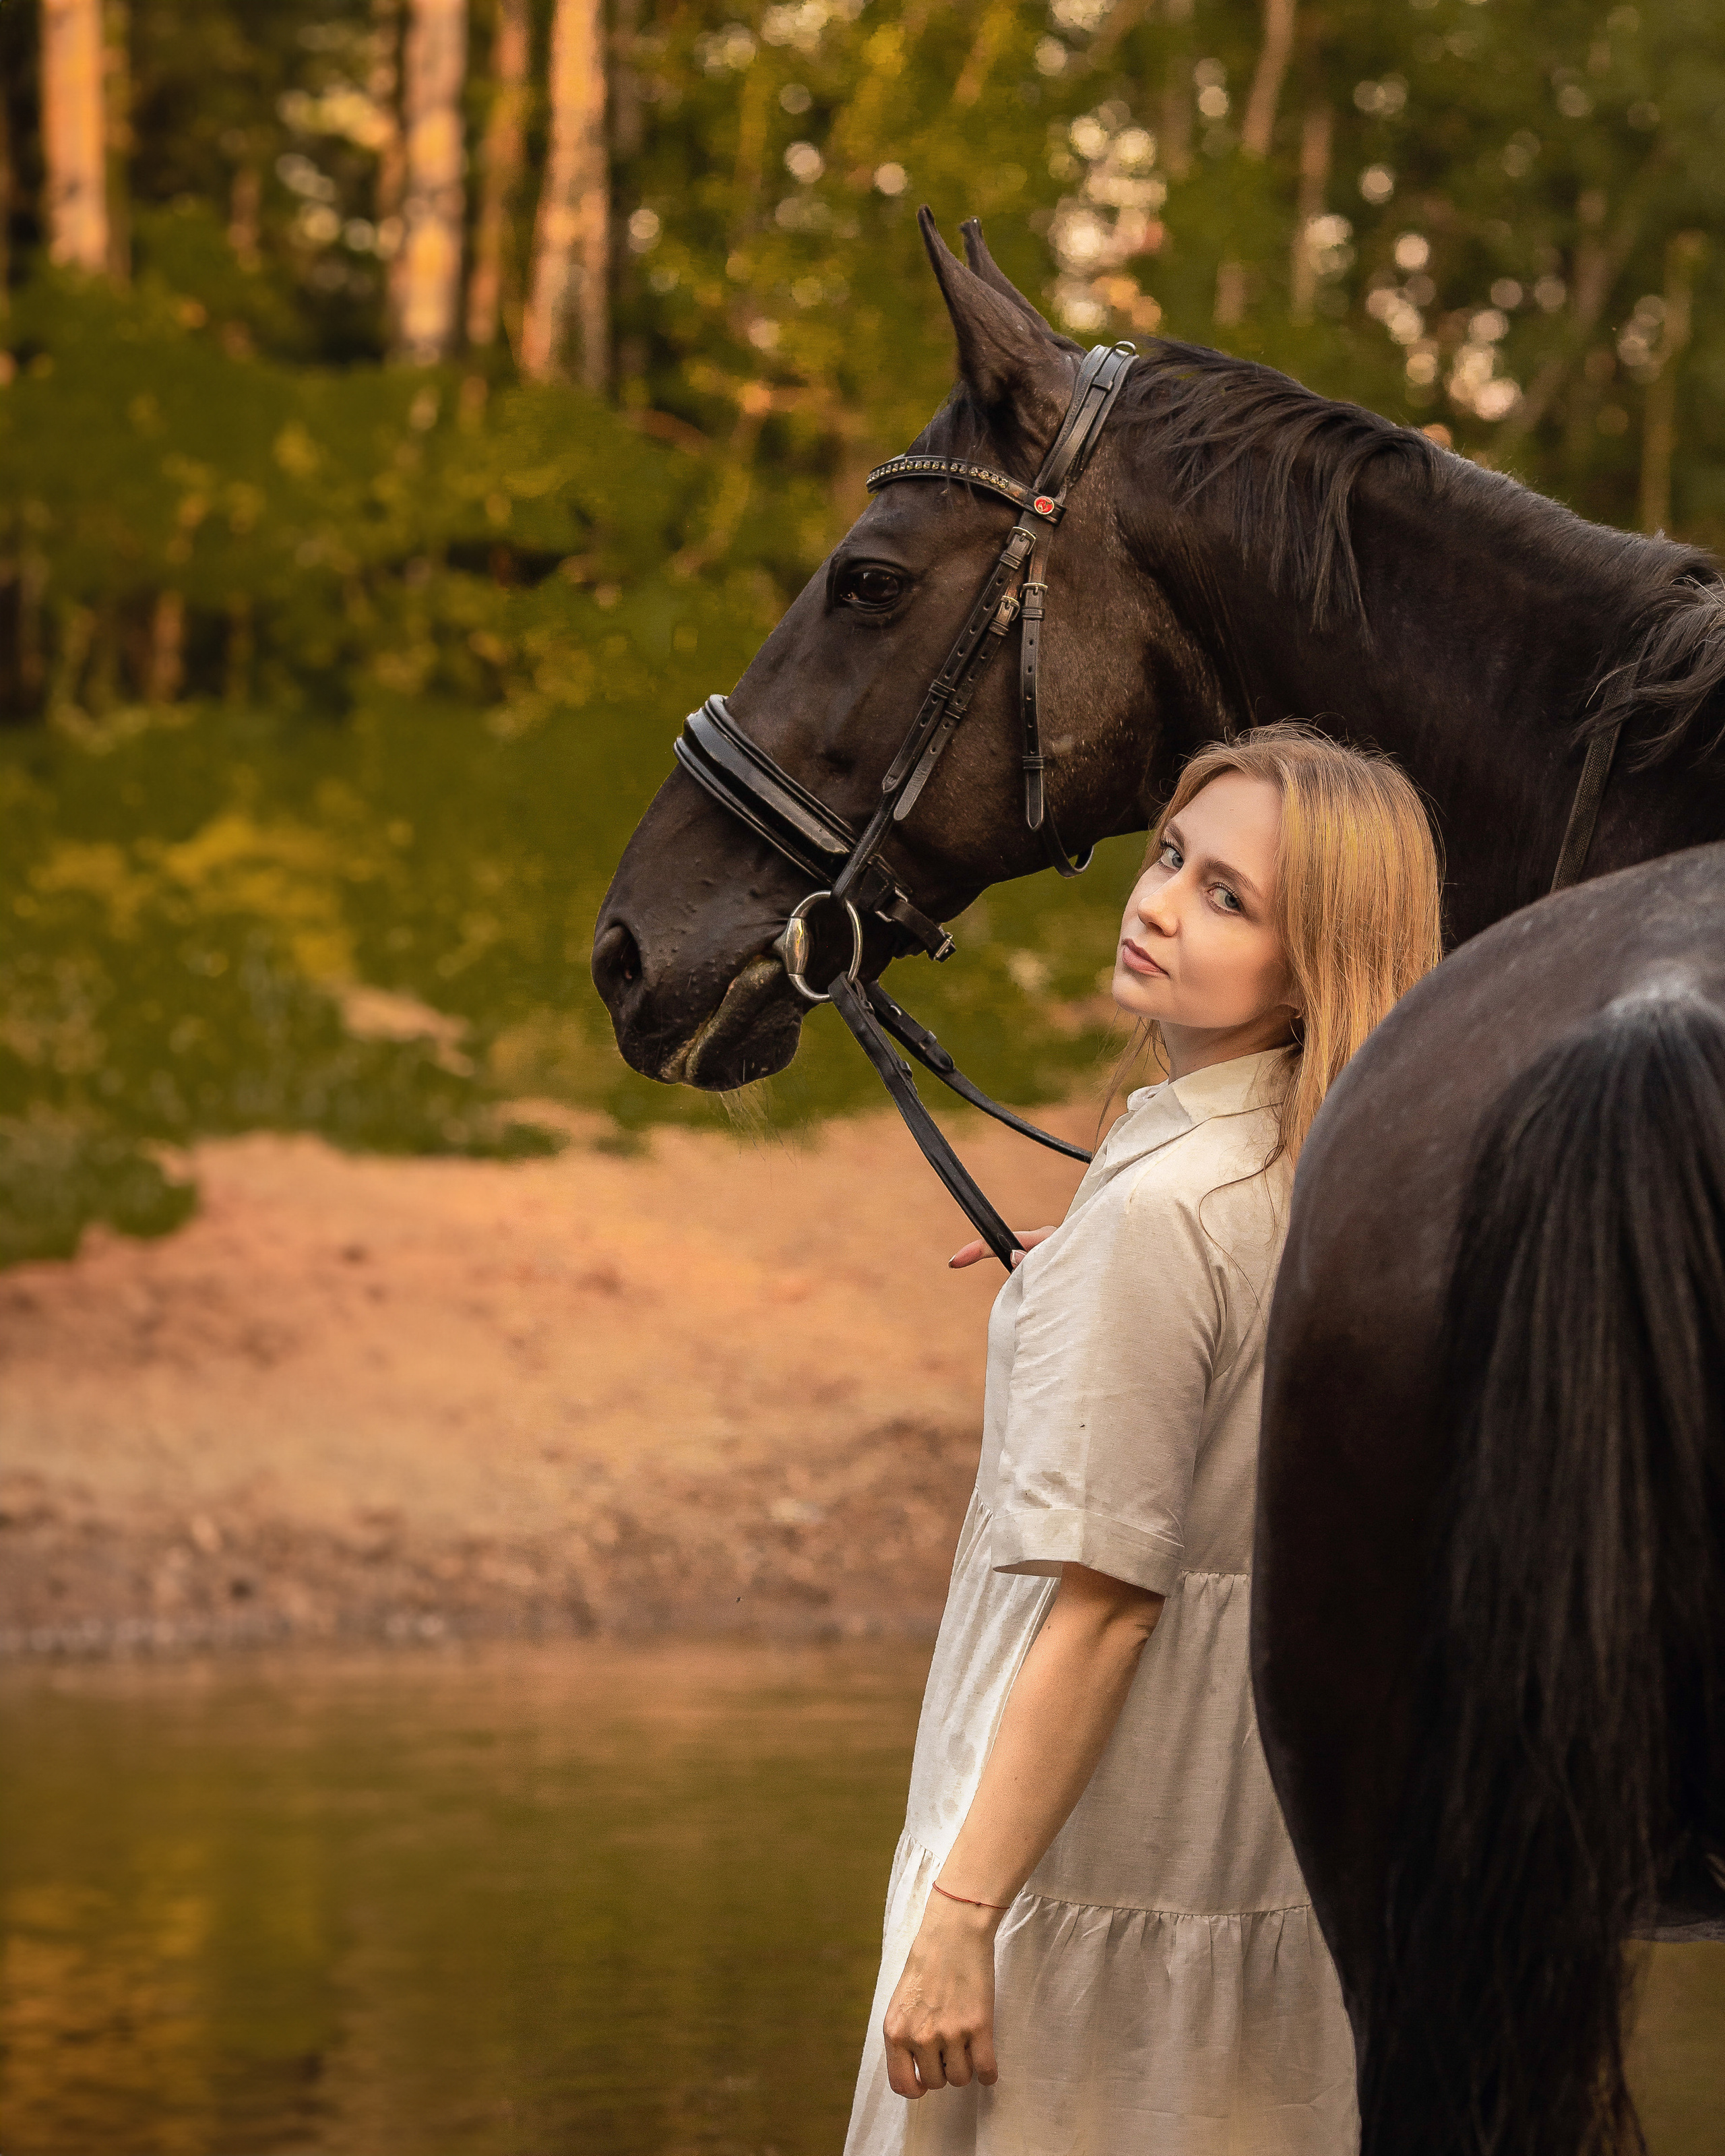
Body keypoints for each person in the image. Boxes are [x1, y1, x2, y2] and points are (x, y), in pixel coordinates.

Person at [842, 724, 1445, 2155]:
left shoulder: (1167, 1211)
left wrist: (960, 1918)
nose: (1158, 901)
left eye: (1227, 896)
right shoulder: (1334, 1182)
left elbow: (1105, 1607)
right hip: (1253, 1868)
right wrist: (1090, 1275)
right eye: (1171, 855)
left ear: (1317, 962)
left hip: (1078, 1882)